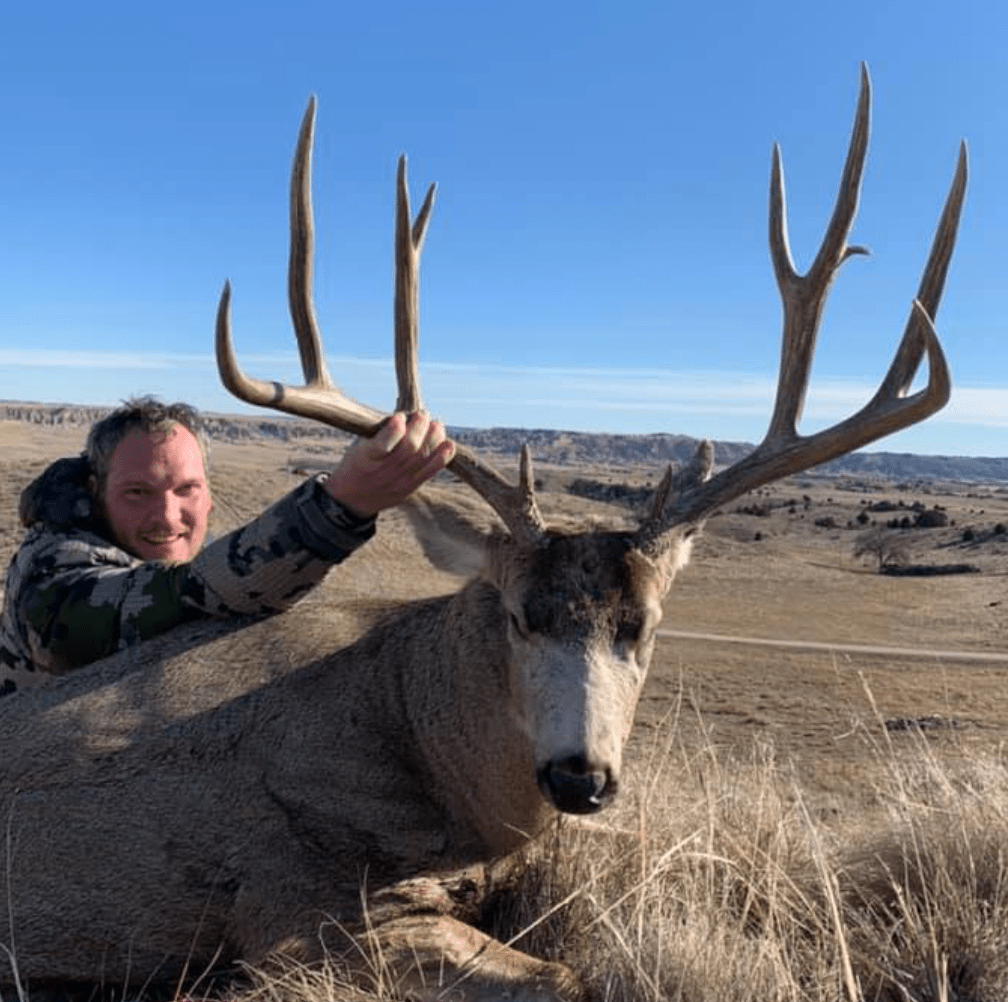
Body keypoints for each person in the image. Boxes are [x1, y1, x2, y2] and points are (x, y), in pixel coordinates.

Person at [0, 396, 454, 697]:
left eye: (186, 489)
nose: (167, 517)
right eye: (138, 493)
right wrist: (338, 507)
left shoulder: (188, 554)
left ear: (210, 493)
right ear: (96, 491)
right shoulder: (50, 573)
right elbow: (173, 600)